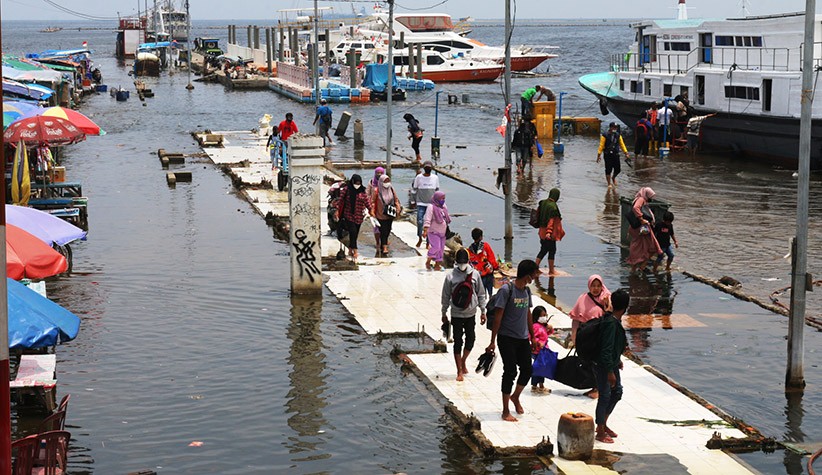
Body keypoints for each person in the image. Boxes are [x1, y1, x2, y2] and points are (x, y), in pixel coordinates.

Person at [486, 259, 539, 422]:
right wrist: (492, 341)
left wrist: (533, 337)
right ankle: (505, 410)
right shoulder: (506, 290)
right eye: (534, 274)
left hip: (522, 337)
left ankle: (515, 396)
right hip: (506, 337)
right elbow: (498, 317)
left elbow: (528, 314)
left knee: (527, 370)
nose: (535, 277)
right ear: (528, 275)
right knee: (510, 371)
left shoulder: (527, 292)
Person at [441, 248, 488, 381]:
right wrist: (443, 313)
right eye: (460, 262)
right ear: (456, 262)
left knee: (471, 339)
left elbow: (481, 294)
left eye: (464, 262)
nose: (462, 265)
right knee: (457, 341)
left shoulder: (475, 274)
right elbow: (445, 296)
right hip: (456, 314)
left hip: (471, 314)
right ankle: (459, 370)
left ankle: (463, 360)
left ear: (468, 261)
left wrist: (483, 311)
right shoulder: (450, 276)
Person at [594, 288, 630, 444]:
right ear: (626, 307)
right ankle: (600, 431)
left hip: (612, 362)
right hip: (603, 365)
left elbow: (613, 346)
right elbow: (606, 348)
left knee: (617, 392)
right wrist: (609, 371)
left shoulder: (615, 320)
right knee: (605, 395)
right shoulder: (611, 323)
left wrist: (618, 359)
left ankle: (603, 423)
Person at [568, 274, 612, 399]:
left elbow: (610, 317)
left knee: (597, 363)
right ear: (589, 286)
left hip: (599, 337)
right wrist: (574, 336)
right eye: (593, 286)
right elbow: (576, 319)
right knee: (587, 361)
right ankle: (594, 386)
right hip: (585, 336)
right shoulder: (583, 299)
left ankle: (598, 388)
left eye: (598, 286)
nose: (596, 289)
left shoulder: (606, 299)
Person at [627, 187, 663, 274]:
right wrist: (641, 219)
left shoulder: (640, 199)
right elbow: (636, 208)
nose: (651, 198)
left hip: (640, 229)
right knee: (652, 246)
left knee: (641, 247)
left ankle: (637, 267)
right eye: (651, 196)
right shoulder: (641, 199)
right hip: (642, 229)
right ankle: (640, 266)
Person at [335, 174, 370, 260]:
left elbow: (366, 202)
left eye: (359, 183)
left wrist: (371, 210)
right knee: (353, 231)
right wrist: (337, 210)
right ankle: (355, 250)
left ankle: (350, 248)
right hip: (349, 215)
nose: (357, 185)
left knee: (355, 234)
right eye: (356, 183)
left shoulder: (362, 191)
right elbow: (340, 200)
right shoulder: (347, 190)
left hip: (359, 216)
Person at [535, 188, 565, 275]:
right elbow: (551, 221)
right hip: (549, 234)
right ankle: (551, 270)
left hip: (541, 231)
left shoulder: (543, 203)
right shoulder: (553, 207)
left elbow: (538, 213)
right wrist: (549, 232)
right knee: (551, 251)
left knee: (543, 250)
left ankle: (536, 268)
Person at [370, 174, 401, 256]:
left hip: (390, 213)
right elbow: (372, 202)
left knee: (388, 229)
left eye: (388, 181)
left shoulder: (391, 189)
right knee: (383, 230)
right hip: (380, 214)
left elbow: (396, 200)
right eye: (385, 181)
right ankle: (384, 246)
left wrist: (398, 209)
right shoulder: (376, 190)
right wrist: (372, 212)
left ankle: (383, 243)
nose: (387, 183)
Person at [412, 161, 440, 247]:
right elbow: (414, 190)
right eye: (426, 167)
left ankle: (428, 242)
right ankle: (420, 238)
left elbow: (437, 191)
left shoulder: (435, 178)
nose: (428, 169)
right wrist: (413, 201)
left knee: (431, 223)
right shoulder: (419, 177)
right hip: (421, 203)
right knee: (420, 221)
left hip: (431, 205)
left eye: (429, 168)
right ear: (424, 168)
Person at [467, 228, 499, 299]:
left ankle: (483, 306)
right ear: (481, 237)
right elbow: (492, 259)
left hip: (478, 275)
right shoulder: (486, 246)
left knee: (482, 293)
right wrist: (496, 267)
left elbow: (469, 264)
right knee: (490, 291)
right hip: (488, 273)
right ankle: (490, 301)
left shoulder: (469, 250)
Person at [423, 191, 450, 271]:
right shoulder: (431, 207)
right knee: (436, 247)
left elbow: (446, 217)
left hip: (443, 232)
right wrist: (425, 230)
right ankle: (428, 261)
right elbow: (427, 219)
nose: (443, 200)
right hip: (433, 232)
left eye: (444, 198)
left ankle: (437, 265)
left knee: (441, 249)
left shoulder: (444, 206)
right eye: (442, 198)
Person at [597, 122, 630, 188]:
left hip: (616, 154)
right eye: (614, 127)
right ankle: (609, 183)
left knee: (618, 169)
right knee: (608, 169)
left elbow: (622, 144)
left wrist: (626, 153)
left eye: (616, 127)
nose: (615, 129)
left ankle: (613, 177)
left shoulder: (618, 135)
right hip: (607, 154)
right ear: (610, 127)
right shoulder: (605, 135)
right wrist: (599, 155)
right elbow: (601, 145)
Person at [530, 305, 554, 393]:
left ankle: (539, 385)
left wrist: (550, 329)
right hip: (538, 351)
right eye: (542, 316)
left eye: (545, 315)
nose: (544, 317)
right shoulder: (536, 326)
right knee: (539, 368)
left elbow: (547, 334)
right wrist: (538, 342)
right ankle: (537, 385)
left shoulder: (542, 326)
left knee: (541, 368)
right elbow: (531, 337)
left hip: (543, 351)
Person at [367, 167, 386, 248]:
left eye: (381, 173)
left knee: (385, 225)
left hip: (384, 207)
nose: (379, 174)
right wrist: (368, 205)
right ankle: (378, 242)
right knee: (376, 226)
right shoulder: (371, 183)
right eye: (377, 173)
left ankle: (384, 240)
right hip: (374, 208)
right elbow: (367, 194)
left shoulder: (386, 182)